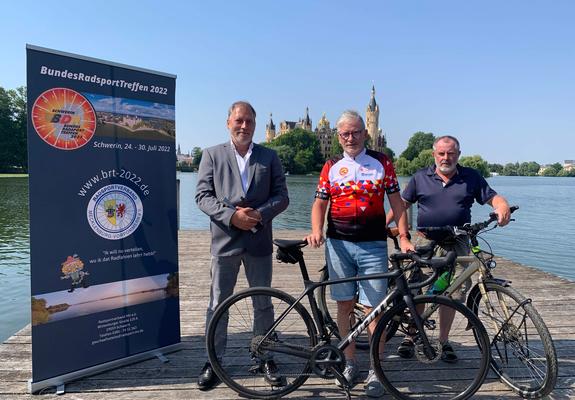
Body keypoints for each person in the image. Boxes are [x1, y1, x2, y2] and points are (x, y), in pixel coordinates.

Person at [305, 110, 413, 397]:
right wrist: (316, 228)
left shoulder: (382, 162)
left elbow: (396, 202)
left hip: (373, 245)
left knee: (373, 310)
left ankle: (376, 369)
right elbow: (319, 203)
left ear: (365, 133)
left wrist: (403, 236)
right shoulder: (331, 165)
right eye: (344, 134)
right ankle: (350, 361)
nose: (350, 138)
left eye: (355, 132)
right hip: (338, 244)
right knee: (344, 306)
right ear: (338, 137)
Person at [389, 135, 510, 362]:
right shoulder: (420, 177)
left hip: (459, 242)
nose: (446, 157)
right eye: (441, 153)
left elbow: (492, 197)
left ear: (458, 155)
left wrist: (502, 206)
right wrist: (384, 225)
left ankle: (443, 342)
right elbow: (401, 205)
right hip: (427, 241)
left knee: (454, 293)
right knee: (421, 288)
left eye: (451, 153)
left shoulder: (470, 177)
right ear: (434, 154)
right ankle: (412, 335)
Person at [195, 101, 289, 390]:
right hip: (224, 241)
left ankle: (264, 356)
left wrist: (259, 215)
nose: (244, 126)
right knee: (218, 303)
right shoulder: (211, 154)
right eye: (239, 120)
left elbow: (282, 196)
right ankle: (214, 359)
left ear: (255, 125)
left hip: (259, 240)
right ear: (228, 122)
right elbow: (202, 196)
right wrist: (232, 216)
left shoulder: (269, 156)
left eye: (249, 121)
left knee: (263, 303)